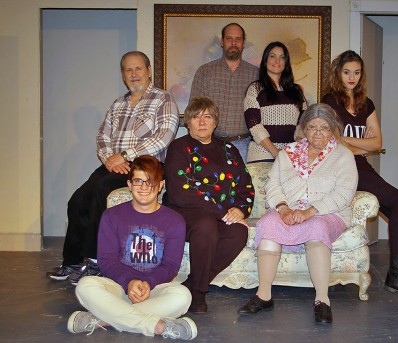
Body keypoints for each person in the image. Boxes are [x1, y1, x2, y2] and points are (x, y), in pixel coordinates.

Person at [46, 51, 180, 285]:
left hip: (146, 165)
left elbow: (163, 137)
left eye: (138, 68)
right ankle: (73, 261)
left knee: (101, 191)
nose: (134, 74)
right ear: (123, 75)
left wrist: (125, 155)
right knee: (76, 201)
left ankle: (96, 262)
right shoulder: (118, 104)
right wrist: (110, 159)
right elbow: (102, 137)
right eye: (128, 70)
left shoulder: (163, 99)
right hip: (115, 164)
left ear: (148, 71)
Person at [321, 50, 398, 299]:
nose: (351, 77)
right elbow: (333, 142)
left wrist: (347, 139)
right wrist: (354, 143)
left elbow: (377, 143)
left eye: (356, 72)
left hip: (363, 166)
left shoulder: (367, 103)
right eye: (346, 72)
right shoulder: (329, 101)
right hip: (343, 167)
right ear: (338, 73)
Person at [238, 103, 358, 325]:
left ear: (333, 129)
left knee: (317, 227)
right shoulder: (288, 153)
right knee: (269, 223)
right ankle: (264, 295)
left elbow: (344, 193)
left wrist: (311, 211)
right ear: (304, 129)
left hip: (328, 213)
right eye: (312, 127)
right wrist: (283, 208)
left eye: (324, 127)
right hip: (290, 210)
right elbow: (273, 185)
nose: (318, 133)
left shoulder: (343, 155)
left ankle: (322, 301)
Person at [67, 155, 197, 339]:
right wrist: (129, 282)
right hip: (118, 286)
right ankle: (158, 327)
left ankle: (104, 319)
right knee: (85, 285)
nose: (144, 188)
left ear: (161, 185)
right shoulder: (111, 216)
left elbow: (170, 266)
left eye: (151, 182)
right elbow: (106, 260)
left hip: (153, 289)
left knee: (183, 296)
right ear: (129, 185)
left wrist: (148, 284)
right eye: (138, 181)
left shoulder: (175, 221)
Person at [163, 96, 254, 313]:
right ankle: (198, 295)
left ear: (215, 122)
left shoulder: (230, 150)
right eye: (196, 117)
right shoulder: (178, 148)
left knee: (238, 232)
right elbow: (180, 193)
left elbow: (246, 186)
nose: (202, 121)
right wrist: (223, 212)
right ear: (188, 122)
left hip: (218, 215)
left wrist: (239, 210)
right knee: (206, 225)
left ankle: (192, 284)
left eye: (208, 116)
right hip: (182, 212)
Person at [189, 22, 259, 162]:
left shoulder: (255, 74)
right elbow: (193, 109)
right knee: (208, 183)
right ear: (222, 42)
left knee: (239, 184)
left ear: (244, 43)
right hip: (208, 143)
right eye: (229, 38)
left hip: (244, 146)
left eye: (238, 39)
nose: (233, 43)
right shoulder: (205, 71)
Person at [244, 41, 307, 163]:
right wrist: (275, 152)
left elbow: (303, 123)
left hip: (291, 158)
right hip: (262, 157)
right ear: (265, 60)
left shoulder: (297, 91)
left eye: (282, 57)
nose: (277, 61)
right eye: (272, 56)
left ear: (286, 62)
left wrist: (297, 146)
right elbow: (254, 125)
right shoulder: (255, 88)